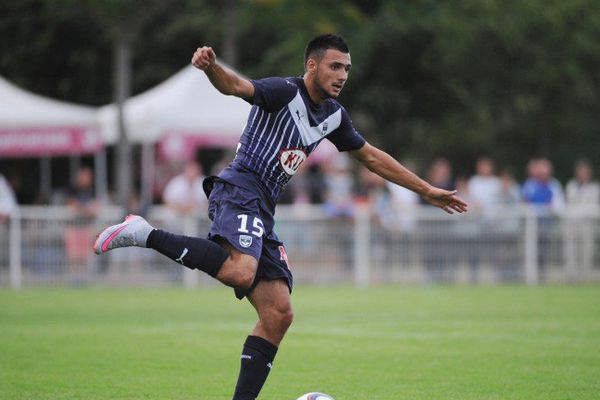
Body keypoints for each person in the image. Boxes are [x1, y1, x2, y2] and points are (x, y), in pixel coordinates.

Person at [93, 34, 467, 400]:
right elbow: (236, 86)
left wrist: (425, 190)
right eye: (335, 66)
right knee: (241, 271)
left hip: (262, 208)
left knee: (278, 313)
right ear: (312, 65)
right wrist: (211, 69)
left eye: (347, 68)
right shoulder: (285, 92)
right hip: (238, 188)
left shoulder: (334, 117)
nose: (342, 75)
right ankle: (143, 234)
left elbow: (370, 156)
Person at [563, 159, 600, 279]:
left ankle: (586, 275)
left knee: (587, 251)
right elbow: (569, 204)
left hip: (587, 224)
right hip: (572, 224)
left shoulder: (594, 188)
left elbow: (593, 206)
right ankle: (572, 276)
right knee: (571, 251)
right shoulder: (571, 186)